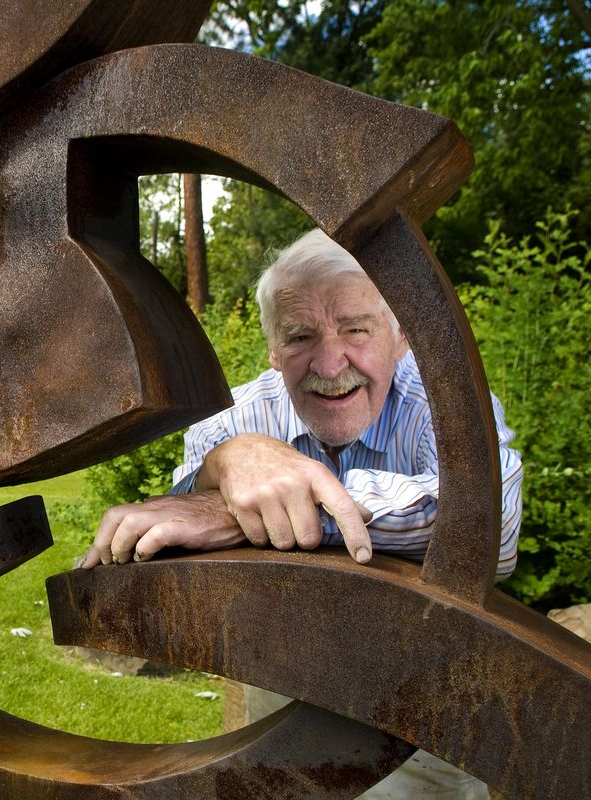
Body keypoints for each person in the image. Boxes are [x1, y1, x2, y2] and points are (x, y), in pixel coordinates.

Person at [80, 229, 522, 799]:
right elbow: (177, 544)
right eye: (300, 336)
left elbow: (494, 528)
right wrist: (229, 470)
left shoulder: (449, 409)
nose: (331, 361)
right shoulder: (230, 424)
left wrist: (242, 512)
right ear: (271, 347)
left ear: (400, 337)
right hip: (284, 711)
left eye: (357, 329)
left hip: (428, 719)